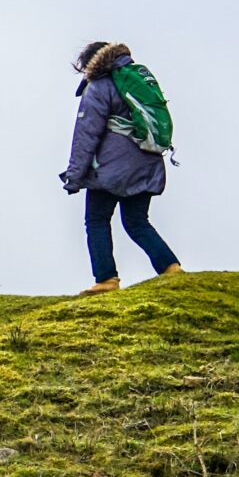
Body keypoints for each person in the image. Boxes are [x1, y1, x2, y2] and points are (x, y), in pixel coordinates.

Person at [61, 40, 184, 294]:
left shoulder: (99, 86)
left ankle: (106, 279)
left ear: (90, 64)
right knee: (137, 221)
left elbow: (86, 134)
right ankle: (171, 268)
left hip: (111, 170)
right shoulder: (134, 81)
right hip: (147, 163)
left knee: (96, 220)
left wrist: (74, 176)